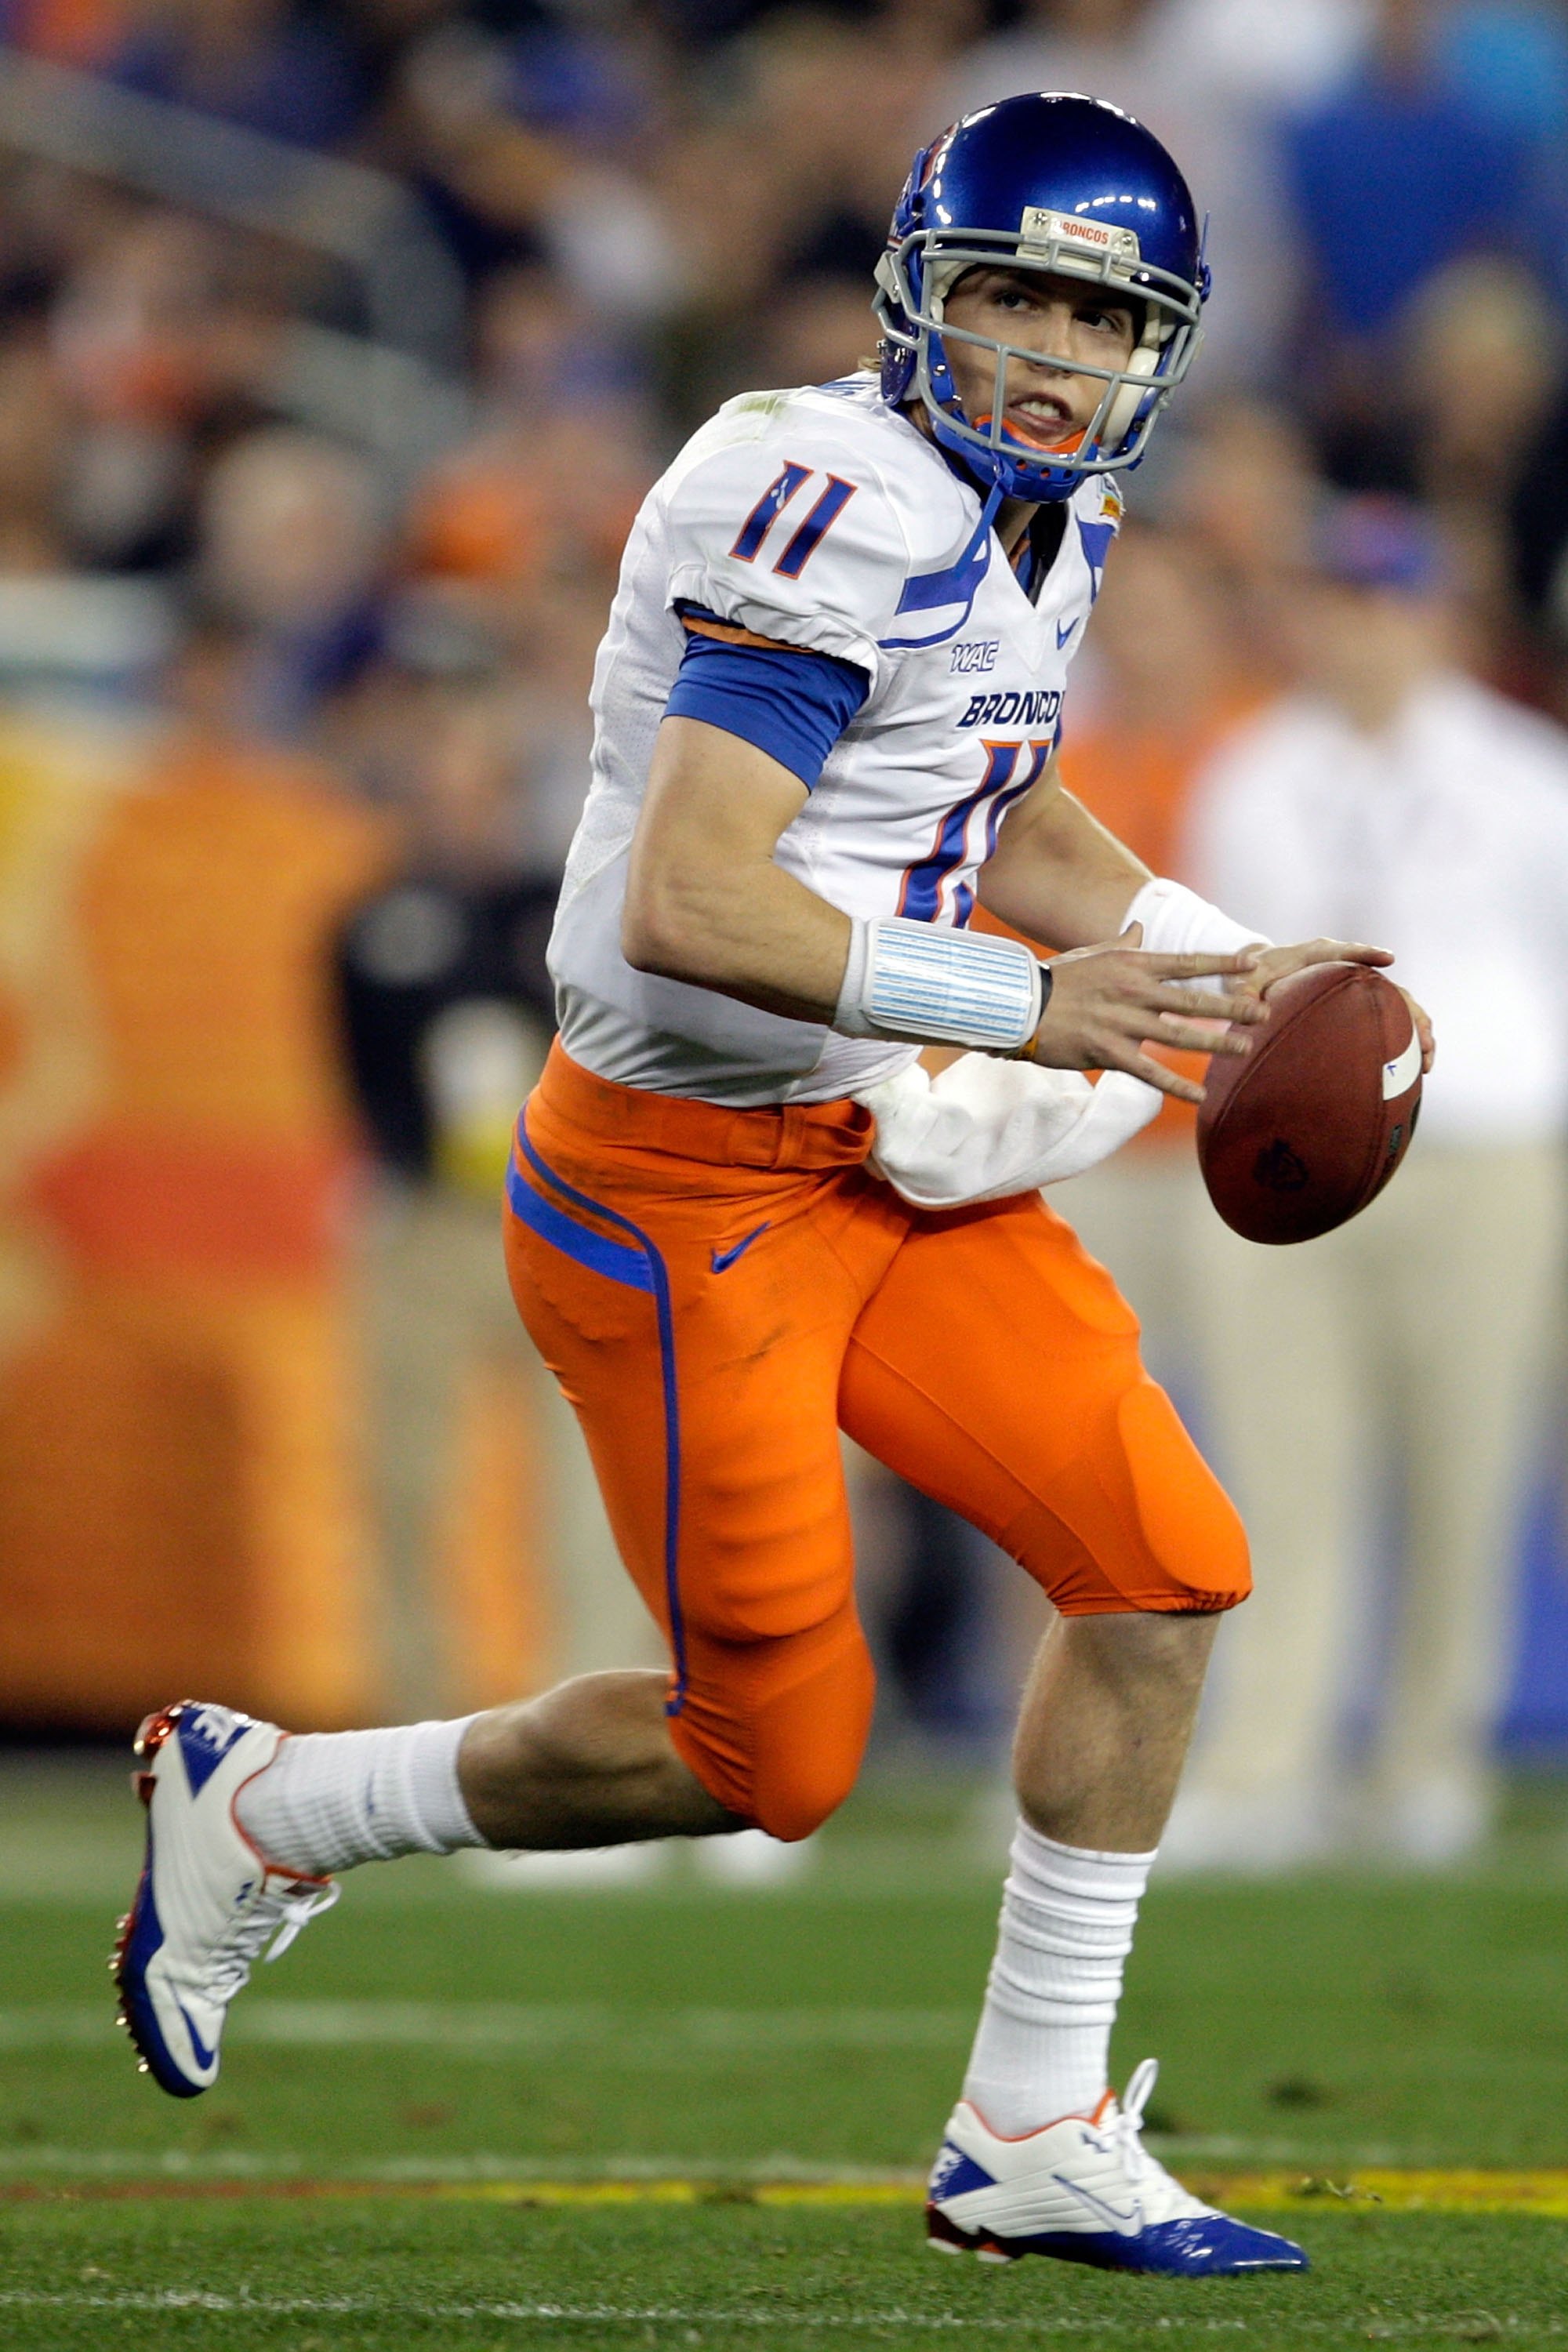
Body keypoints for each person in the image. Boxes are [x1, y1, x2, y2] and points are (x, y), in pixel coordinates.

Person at [114, 95, 1428, 2279]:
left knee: (1166, 1572)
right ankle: (267, 1807)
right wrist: (1041, 1014)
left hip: (875, 1151)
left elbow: (975, 791)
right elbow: (695, 905)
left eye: (1096, 318)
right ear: (922, 285)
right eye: (1008, 292)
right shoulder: (815, 497)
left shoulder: (1053, 511)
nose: (1044, 352)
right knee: (771, 1756)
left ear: (1158, 348)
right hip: (676, 1189)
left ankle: (1034, 2119)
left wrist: (1206, 959)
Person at [1169, 495, 1568, 1870]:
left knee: (1468, 1464)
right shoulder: (1254, 772)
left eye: (1387, 602)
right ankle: (1273, 1756)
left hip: (1483, 1157)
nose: (1361, 630)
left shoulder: (1528, 778)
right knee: (1282, 1470)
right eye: (1339, 602)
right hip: (1289, 1171)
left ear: (1440, 619)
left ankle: (1429, 1755)